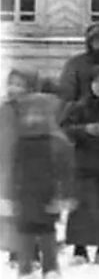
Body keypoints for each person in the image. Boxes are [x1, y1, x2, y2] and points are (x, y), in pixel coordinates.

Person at [61, 64, 99, 265]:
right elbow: (65, 129)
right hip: (83, 164)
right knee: (81, 207)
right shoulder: (78, 107)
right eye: (97, 81)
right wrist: (85, 129)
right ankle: (80, 248)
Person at [9, 93, 75, 279]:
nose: (34, 117)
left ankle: (50, 267)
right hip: (25, 194)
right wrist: (12, 194)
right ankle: (25, 267)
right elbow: (14, 170)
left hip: (48, 193)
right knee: (26, 233)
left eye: (39, 113)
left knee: (47, 232)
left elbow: (65, 170)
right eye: (31, 113)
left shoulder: (56, 142)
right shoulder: (20, 143)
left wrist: (64, 194)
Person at [1, 69, 35, 264]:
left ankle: (32, 249)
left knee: (30, 210)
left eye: (19, 84)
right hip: (7, 166)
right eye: (11, 83)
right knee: (11, 209)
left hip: (30, 167)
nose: (14, 88)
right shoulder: (4, 109)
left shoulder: (34, 109)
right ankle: (15, 248)